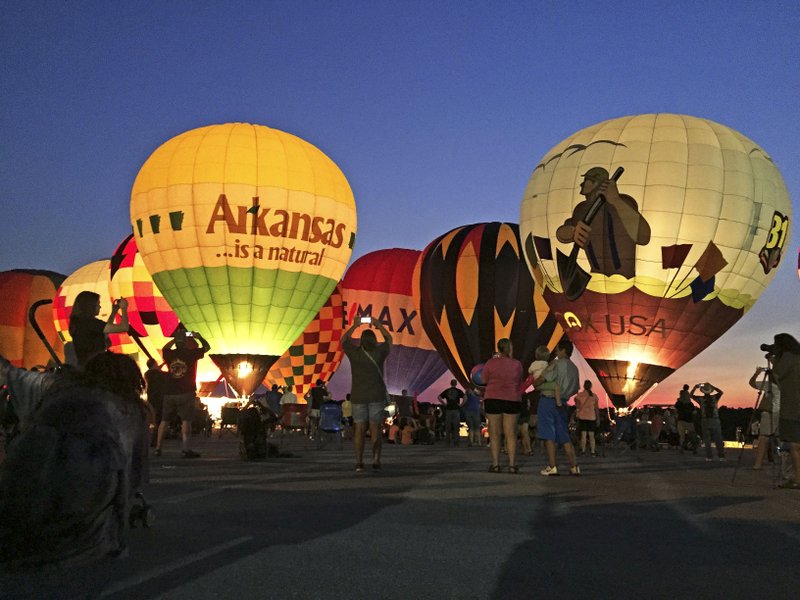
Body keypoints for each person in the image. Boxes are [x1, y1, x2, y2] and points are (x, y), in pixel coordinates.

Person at [0, 352, 149, 566]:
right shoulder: (130, 410)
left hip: (25, 475)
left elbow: (12, 374)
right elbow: (133, 473)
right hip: (83, 500)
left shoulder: (54, 386)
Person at [556, 166, 651, 280]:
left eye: (587, 181)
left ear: (597, 184)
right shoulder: (581, 210)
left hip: (626, 281)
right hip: (595, 279)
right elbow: (562, 232)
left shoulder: (625, 203)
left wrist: (616, 201)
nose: (582, 184)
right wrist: (573, 232)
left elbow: (643, 237)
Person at [342, 317, 392, 472]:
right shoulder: (379, 353)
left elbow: (344, 340)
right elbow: (389, 339)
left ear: (361, 341)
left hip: (358, 396)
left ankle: (359, 462)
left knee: (359, 430)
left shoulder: (354, 354)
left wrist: (355, 325)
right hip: (376, 396)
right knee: (375, 429)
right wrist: (378, 325)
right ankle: (376, 460)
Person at [154, 329, 210, 458]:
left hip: (170, 392)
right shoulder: (191, 354)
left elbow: (164, 348)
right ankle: (186, 448)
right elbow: (207, 347)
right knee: (186, 420)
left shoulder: (169, 354)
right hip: (186, 391)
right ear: (185, 342)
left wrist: (175, 339)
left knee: (164, 420)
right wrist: (199, 337)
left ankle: (158, 448)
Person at [535, 339, 581, 476]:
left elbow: (540, 380)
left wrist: (537, 380)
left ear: (563, 350)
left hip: (548, 401)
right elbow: (575, 389)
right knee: (564, 435)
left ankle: (552, 466)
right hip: (564, 403)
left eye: (557, 349)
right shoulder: (574, 368)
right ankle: (574, 466)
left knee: (549, 434)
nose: (555, 352)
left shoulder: (556, 364)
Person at [482, 338, 524, 474]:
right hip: (512, 398)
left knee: (494, 434)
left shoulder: (490, 363)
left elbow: (483, 380)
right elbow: (519, 380)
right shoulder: (517, 364)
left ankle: (495, 465)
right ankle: (512, 465)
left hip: (493, 398)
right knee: (510, 434)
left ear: (498, 348)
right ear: (510, 348)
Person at [768, 333, 800, 488]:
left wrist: (774, 361)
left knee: (794, 445)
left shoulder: (787, 357)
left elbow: (777, 375)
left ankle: (797, 479)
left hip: (792, 408)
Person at [68, 291, 130, 368]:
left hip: (85, 366)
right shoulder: (91, 322)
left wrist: (114, 312)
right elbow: (124, 327)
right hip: (96, 366)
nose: (100, 307)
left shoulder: (79, 322)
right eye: (98, 304)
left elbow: (105, 331)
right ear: (90, 306)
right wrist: (124, 309)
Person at [748, 361, 779, 470]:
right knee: (781, 439)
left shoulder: (769, 385)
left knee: (764, 438)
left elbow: (752, 383)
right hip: (781, 413)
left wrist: (757, 373)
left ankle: (758, 464)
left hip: (771, 413)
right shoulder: (788, 383)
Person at [689, 381, 725, 461]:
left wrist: (695, 387)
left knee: (707, 439)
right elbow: (721, 392)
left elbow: (690, 395)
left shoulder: (701, 399)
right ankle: (721, 456)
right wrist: (713, 386)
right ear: (710, 390)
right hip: (715, 420)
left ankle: (709, 456)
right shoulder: (715, 397)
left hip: (705, 420)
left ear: (703, 391)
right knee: (718, 439)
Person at [144, 358, 168, 446]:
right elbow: (167, 375)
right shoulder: (159, 374)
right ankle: (155, 440)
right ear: (154, 364)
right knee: (158, 420)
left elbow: (156, 370)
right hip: (159, 399)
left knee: (152, 418)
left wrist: (162, 365)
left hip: (151, 398)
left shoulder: (147, 374)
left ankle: (151, 439)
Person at [574, 380, 599, 456]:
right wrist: (597, 418)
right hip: (591, 417)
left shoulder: (580, 395)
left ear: (584, 386)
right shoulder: (594, 396)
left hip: (582, 417)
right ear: (591, 386)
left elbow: (577, 406)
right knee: (592, 435)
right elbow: (596, 409)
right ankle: (593, 452)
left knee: (583, 435)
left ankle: (583, 451)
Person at [438, 379, 465, 447]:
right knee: (456, 427)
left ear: (450, 383)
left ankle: (447, 443)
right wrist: (461, 405)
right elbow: (465, 397)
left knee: (448, 427)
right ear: (456, 384)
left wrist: (444, 404)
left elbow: (439, 397)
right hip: (456, 410)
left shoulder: (447, 391)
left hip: (448, 410)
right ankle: (456, 443)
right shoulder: (459, 391)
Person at [674, 384, 697, 453]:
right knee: (692, 434)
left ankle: (681, 448)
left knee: (682, 436)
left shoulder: (678, 402)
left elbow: (676, 411)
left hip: (680, 420)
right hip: (689, 420)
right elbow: (694, 412)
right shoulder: (690, 403)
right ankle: (694, 448)